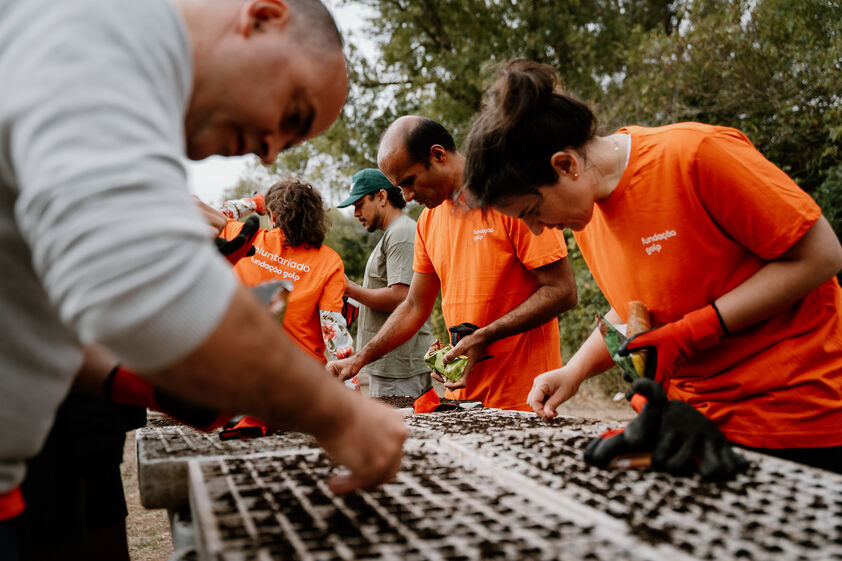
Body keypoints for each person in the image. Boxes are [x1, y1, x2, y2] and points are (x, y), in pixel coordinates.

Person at [0, 0, 406, 556]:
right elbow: (146, 289)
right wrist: (339, 417)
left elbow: (40, 317)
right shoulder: (99, 34)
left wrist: (151, 384)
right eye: (291, 113)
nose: (268, 151)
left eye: (287, 144)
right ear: (263, 17)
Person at [461, 59, 842, 473]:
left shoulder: (695, 155)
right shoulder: (585, 210)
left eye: (533, 210)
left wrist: (698, 329)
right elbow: (636, 304)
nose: (536, 230)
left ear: (565, 165)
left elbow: (822, 255)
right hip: (694, 425)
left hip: (799, 417)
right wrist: (575, 370)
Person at [328, 118, 578, 410]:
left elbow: (562, 291)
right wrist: (358, 359)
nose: (407, 197)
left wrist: (485, 336)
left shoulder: (513, 196)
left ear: (438, 155)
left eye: (409, 181)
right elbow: (414, 307)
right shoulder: (428, 222)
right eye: (400, 187)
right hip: (464, 401)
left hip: (526, 396)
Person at [215, 179, 355, 367]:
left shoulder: (246, 237)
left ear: (271, 216)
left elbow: (206, 213)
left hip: (243, 365)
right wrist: (351, 388)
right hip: (302, 375)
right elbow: (335, 335)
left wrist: (255, 202)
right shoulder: (329, 261)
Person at [337, 168, 434, 397]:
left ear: (381, 197)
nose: (355, 213)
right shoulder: (395, 232)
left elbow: (402, 298)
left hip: (398, 370)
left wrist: (350, 288)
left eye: (359, 204)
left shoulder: (401, 233)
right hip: (391, 366)